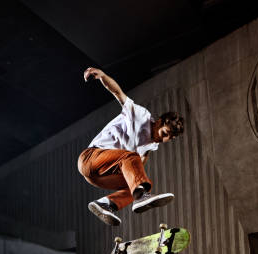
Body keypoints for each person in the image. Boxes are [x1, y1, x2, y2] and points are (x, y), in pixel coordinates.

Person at [78, 67, 185, 226]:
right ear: (159, 122)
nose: (163, 140)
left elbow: (137, 169)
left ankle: (106, 204)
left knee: (145, 184)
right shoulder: (140, 115)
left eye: (169, 138)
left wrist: (141, 185)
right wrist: (102, 76)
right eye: (164, 133)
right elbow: (118, 93)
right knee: (131, 159)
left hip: (100, 176)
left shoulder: (151, 146)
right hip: (90, 158)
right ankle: (140, 197)